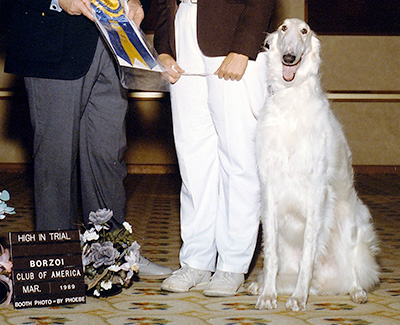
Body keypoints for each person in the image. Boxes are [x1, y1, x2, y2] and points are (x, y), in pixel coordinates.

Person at [4, 0, 171, 278]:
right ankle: (56, 264)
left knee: (108, 155)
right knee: (56, 159)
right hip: (52, 41)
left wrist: (137, 2)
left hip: (113, 45)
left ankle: (114, 255)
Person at [154, 0, 275, 296]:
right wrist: (164, 47)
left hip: (232, 40)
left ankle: (232, 265)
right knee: (192, 160)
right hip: (183, 41)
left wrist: (245, 47)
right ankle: (196, 261)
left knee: (239, 160)